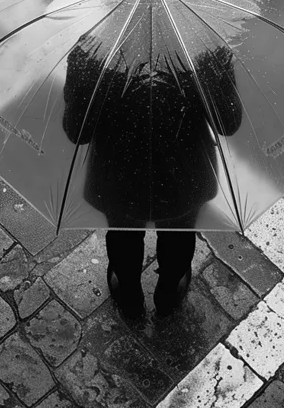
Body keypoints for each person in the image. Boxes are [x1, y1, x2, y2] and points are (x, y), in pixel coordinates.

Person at [62, 32, 243, 318]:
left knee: (123, 236)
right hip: (185, 176)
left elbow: (77, 131)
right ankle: (169, 292)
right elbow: (228, 123)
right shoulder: (205, 44)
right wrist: (212, 66)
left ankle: (129, 294)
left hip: (118, 177)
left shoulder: (93, 47)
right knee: (179, 236)